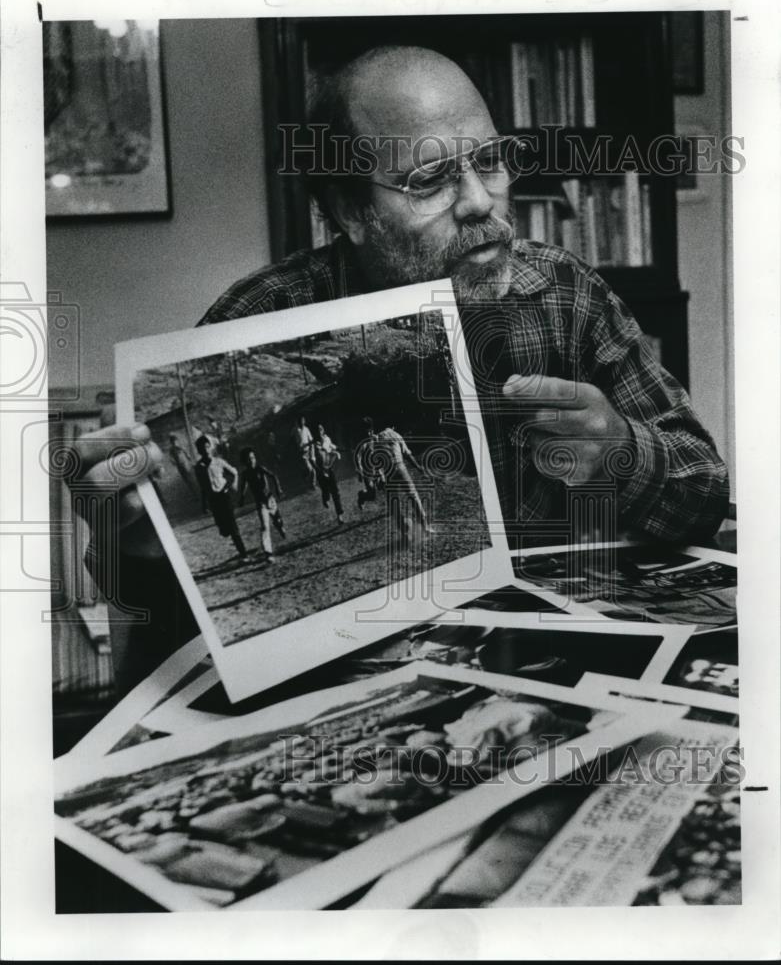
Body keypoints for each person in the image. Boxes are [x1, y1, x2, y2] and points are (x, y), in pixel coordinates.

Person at [72, 45, 729, 690]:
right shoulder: (257, 320)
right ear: (353, 210)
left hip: (552, 677)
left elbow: (703, 491)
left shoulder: (563, 294)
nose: (480, 201)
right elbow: (159, 613)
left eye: (490, 161)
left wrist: (621, 450)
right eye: (430, 180)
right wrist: (124, 539)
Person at [193, 435, 249, 564]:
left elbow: (234, 472)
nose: (205, 450)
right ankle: (231, 536)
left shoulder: (218, 461)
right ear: (199, 451)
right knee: (224, 530)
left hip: (224, 496)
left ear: (210, 447)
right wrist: (203, 504)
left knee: (233, 527)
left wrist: (230, 486)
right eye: (202, 448)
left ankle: (244, 554)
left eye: (207, 447)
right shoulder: (198, 468)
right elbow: (202, 487)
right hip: (213, 500)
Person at [374, 422, 432, 539]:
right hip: (400, 467)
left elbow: (377, 461)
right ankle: (425, 526)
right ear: (392, 426)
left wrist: (380, 476)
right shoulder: (396, 434)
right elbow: (407, 454)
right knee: (413, 496)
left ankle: (404, 533)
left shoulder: (377, 439)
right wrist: (419, 467)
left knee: (394, 503)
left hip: (388, 471)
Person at [238, 447, 286, 562]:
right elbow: (244, 487)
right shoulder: (245, 474)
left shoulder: (260, 469)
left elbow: (273, 476)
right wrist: (242, 498)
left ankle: (280, 527)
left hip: (270, 500)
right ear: (245, 461)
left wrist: (278, 489)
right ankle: (268, 553)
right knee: (265, 527)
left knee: (278, 521)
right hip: (261, 503)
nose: (252, 461)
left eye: (253, 458)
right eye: (248, 459)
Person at [312, 423, 345, 524]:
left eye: (321, 430)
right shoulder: (313, 445)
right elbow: (312, 459)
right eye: (317, 431)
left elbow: (333, 447)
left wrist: (341, 450)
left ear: (323, 431)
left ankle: (340, 515)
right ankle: (325, 498)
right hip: (320, 470)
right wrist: (318, 470)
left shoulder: (327, 439)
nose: (319, 433)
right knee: (326, 490)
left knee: (335, 492)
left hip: (329, 468)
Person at [355, 416, 384, 510]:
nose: (369, 433)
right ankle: (362, 495)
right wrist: (360, 472)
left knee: (384, 483)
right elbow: (358, 458)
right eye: (367, 432)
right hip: (367, 472)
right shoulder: (362, 444)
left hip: (377, 468)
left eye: (370, 431)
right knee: (372, 496)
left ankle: (392, 505)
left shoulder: (375, 439)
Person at [291, 414, 317, 489]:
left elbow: (311, 441)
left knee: (312, 470)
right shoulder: (295, 430)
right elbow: (291, 439)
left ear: (304, 421)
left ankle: (311, 483)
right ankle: (309, 481)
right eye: (300, 421)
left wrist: (313, 455)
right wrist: (295, 447)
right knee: (310, 470)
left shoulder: (306, 429)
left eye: (303, 421)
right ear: (298, 422)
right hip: (301, 453)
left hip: (308, 452)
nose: (302, 422)